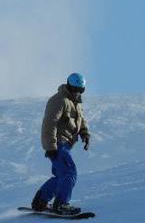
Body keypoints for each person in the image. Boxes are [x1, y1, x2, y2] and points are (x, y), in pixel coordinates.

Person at [31, 73, 90, 215]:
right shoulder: (59, 100)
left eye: (80, 90)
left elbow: (81, 120)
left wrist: (85, 133)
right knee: (70, 172)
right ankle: (62, 204)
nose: (77, 92)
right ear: (69, 86)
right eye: (75, 89)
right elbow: (49, 123)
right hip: (58, 143)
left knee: (62, 175)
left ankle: (41, 200)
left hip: (67, 144)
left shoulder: (77, 103)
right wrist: (51, 147)